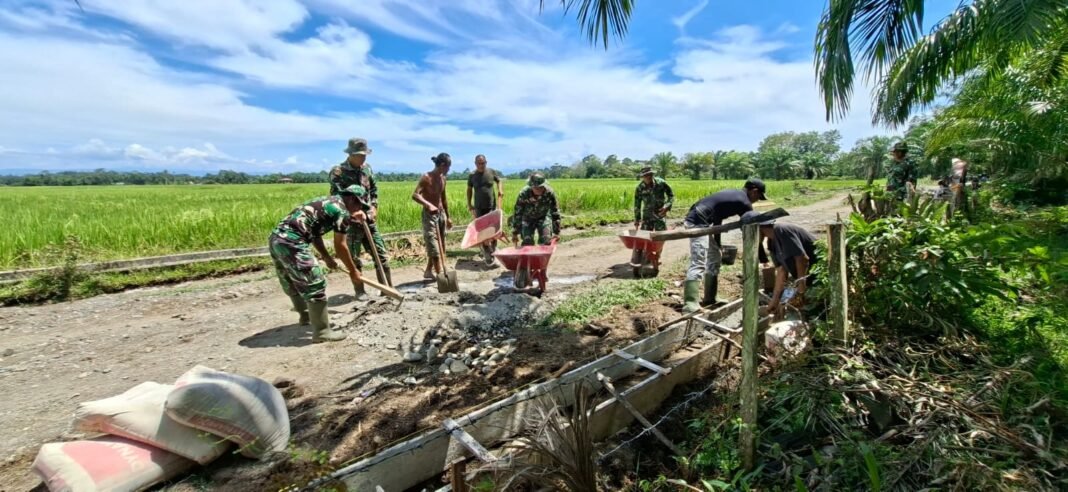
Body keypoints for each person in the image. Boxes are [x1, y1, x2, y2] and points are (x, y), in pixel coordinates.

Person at [269, 185, 369, 343]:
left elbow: (315, 233)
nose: (358, 208)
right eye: (359, 204)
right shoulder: (341, 210)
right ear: (351, 198)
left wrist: (326, 257)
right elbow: (341, 245)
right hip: (293, 242)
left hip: (277, 239)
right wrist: (353, 271)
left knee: (291, 279)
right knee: (315, 282)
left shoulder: (326, 202)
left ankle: (306, 316)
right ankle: (322, 332)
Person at [680, 179, 768, 313]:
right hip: (697, 222)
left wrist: (718, 244)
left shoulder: (735, 195)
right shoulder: (744, 202)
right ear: (754, 191)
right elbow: (752, 231)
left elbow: (717, 219)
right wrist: (764, 259)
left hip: (701, 219)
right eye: (758, 197)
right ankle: (690, 305)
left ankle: (710, 297)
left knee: (715, 256)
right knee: (698, 261)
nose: (757, 200)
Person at [329, 137, 392, 286]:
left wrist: (374, 208)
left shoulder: (367, 168)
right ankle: (360, 292)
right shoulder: (338, 172)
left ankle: (388, 288)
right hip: (350, 223)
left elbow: (374, 190)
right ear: (351, 154)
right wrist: (351, 214)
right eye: (360, 155)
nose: (363, 158)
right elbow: (336, 199)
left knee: (381, 256)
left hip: (368, 219)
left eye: (365, 155)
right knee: (354, 259)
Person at [742, 212, 819, 315]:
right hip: (809, 278)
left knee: (813, 310)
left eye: (750, 234)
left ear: (758, 229)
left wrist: (801, 289)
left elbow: (802, 259)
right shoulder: (771, 243)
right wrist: (775, 300)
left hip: (820, 274)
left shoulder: (782, 230)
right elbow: (781, 271)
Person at [412, 153, 453, 280]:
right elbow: (415, 195)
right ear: (442, 165)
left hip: (440, 214)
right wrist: (428, 205)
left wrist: (448, 216)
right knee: (434, 246)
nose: (449, 170)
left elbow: (443, 198)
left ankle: (428, 271)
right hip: (429, 215)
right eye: (448, 167)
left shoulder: (443, 179)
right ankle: (440, 275)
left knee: (441, 245)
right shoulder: (426, 178)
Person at [466, 154, 504, 266]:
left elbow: (499, 181)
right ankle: (487, 252)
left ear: (486, 162)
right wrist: (469, 204)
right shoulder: (472, 175)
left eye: (483, 163)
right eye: (479, 163)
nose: (481, 165)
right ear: (475, 163)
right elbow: (469, 190)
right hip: (479, 207)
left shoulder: (491, 172)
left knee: (493, 229)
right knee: (482, 231)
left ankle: (494, 248)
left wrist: (500, 190)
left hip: (491, 206)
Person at [510, 173, 561, 246]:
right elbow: (518, 213)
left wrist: (557, 232)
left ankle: (543, 256)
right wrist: (515, 233)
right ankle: (528, 257)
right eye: (536, 188)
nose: (538, 190)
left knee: (546, 240)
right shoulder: (524, 194)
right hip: (527, 218)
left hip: (543, 217)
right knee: (527, 242)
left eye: (541, 187)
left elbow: (555, 212)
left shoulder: (549, 193)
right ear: (531, 186)